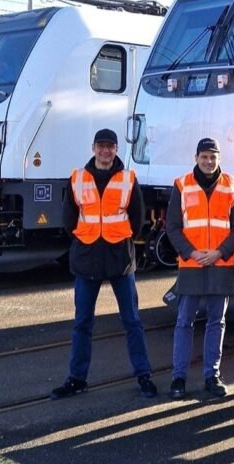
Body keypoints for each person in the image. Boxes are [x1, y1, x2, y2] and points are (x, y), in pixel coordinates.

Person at [51, 128, 157, 400]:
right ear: (93, 148)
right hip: (87, 259)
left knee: (132, 320)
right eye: (101, 146)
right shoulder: (77, 178)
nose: (105, 151)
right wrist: (87, 239)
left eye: (110, 146)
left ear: (116, 149)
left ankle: (144, 375)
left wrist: (117, 239)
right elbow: (68, 219)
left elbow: (137, 219)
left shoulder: (127, 179)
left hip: (119, 259)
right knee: (82, 323)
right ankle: (76, 379)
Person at [166, 137, 234, 400]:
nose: (209, 161)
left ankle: (212, 376)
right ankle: (179, 377)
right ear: (196, 158)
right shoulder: (182, 184)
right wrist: (191, 253)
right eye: (204, 157)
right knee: (184, 321)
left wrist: (219, 253)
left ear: (219, 158)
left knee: (216, 321)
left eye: (213, 157)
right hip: (191, 263)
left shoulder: (232, 186)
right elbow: (173, 227)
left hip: (219, 263)